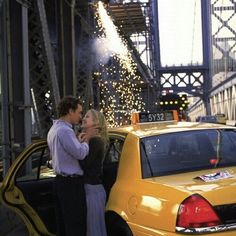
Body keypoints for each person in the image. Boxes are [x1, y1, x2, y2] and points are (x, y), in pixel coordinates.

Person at [47, 96, 93, 236]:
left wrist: (77, 141)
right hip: (71, 184)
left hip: (60, 182)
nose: (80, 116)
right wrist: (88, 140)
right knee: (76, 225)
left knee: (63, 224)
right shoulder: (65, 131)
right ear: (70, 111)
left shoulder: (54, 129)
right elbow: (80, 154)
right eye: (79, 112)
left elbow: (65, 152)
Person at [79, 109, 109, 236]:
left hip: (92, 191)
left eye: (88, 117)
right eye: (84, 115)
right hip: (93, 189)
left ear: (96, 122)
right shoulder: (93, 141)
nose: (84, 118)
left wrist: (81, 144)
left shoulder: (95, 141)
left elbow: (85, 165)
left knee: (93, 229)